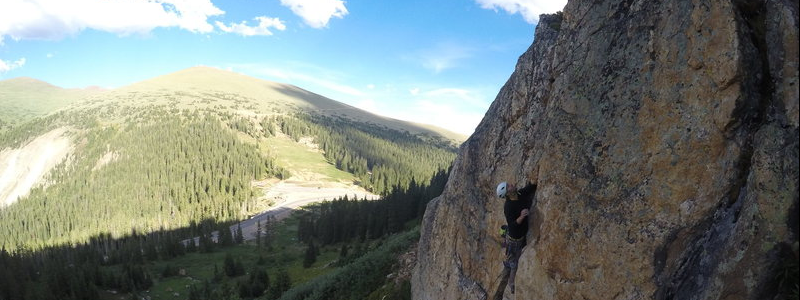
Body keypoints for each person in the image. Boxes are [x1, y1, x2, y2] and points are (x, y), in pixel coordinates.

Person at [496, 181, 536, 294]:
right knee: (514, 264)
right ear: (507, 193)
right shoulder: (508, 206)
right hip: (514, 240)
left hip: (521, 235)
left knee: (515, 258)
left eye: (509, 184)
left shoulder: (519, 193)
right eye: (509, 186)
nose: (512, 184)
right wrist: (522, 216)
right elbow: (512, 225)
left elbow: (528, 189)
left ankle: (508, 263)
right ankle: (511, 283)